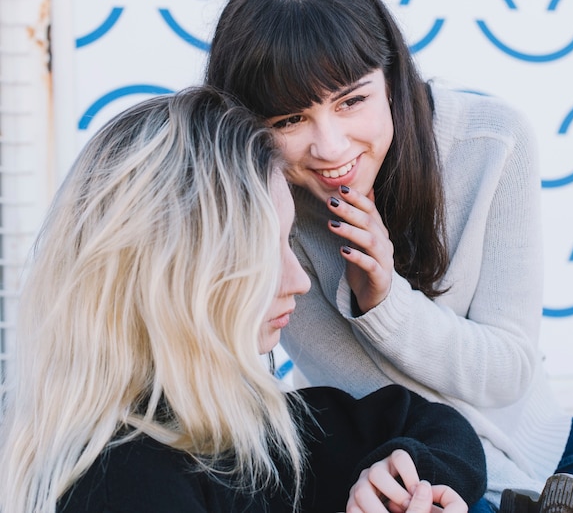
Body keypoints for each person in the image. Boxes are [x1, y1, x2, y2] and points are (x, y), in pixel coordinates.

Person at [204, 0, 573, 512]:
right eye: (289, 120)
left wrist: (387, 300)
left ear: (393, 78)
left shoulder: (492, 143)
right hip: (413, 477)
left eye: (352, 100)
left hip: (544, 455)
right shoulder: (258, 203)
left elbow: (508, 372)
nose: (330, 148)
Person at [0, 85, 486, 513]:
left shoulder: (239, 427)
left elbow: (438, 428)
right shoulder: (121, 484)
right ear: (178, 270)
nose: (298, 280)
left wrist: (402, 478)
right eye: (267, 249)